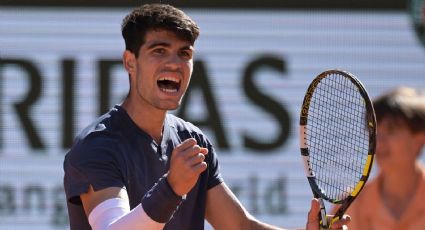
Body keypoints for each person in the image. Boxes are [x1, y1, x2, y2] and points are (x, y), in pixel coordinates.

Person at [63, 4, 350, 230]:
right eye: (159, 50)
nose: (174, 63)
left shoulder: (193, 141)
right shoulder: (96, 147)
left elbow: (241, 227)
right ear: (130, 62)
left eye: (184, 53)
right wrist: (172, 188)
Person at [331, 86, 425, 230]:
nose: (379, 141)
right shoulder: (350, 204)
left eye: (391, 130)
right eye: (374, 131)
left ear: (419, 140)